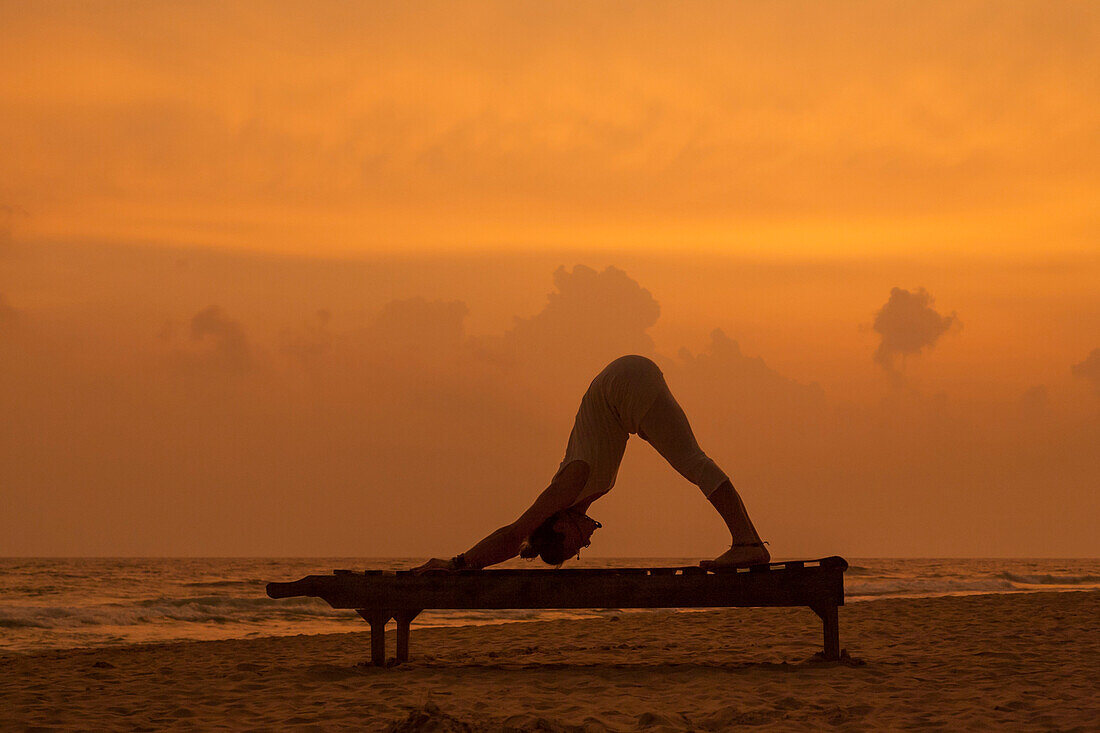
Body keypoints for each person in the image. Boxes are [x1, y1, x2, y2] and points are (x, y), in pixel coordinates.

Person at [414, 355, 769, 573]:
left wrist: (458, 563)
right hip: (623, 394)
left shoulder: (571, 482)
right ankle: (747, 542)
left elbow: (514, 534)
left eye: (575, 546)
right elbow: (521, 542)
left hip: (624, 386)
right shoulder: (583, 493)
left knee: (693, 461)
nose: (584, 544)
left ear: (562, 526)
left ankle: (748, 544)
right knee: (692, 460)